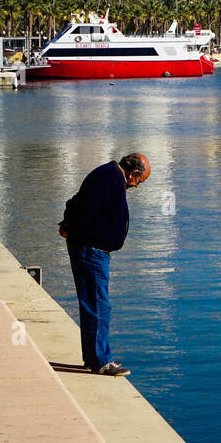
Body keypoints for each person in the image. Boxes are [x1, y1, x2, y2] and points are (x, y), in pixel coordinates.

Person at [58, 153, 150, 376]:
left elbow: (78, 203)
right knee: (99, 305)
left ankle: (93, 357)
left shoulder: (110, 177)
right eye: (140, 181)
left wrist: (70, 226)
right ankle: (101, 360)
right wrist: (71, 227)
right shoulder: (108, 177)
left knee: (94, 303)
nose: (137, 186)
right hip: (91, 251)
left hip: (93, 250)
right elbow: (81, 206)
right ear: (133, 172)